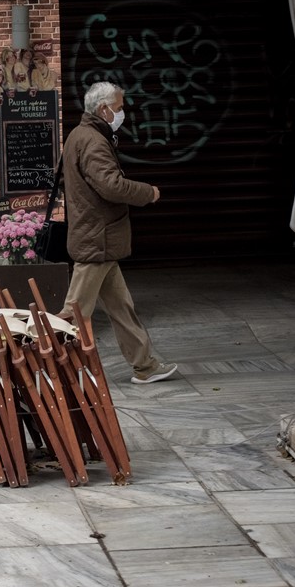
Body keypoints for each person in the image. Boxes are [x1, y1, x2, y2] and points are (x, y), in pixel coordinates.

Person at [58, 81, 178, 384]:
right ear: (104, 109)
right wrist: (146, 192)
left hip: (101, 240)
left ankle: (145, 366)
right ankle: (54, 369)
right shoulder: (94, 141)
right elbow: (110, 185)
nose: (122, 113)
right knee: (74, 314)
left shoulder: (79, 135)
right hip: (97, 240)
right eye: (120, 107)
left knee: (121, 308)